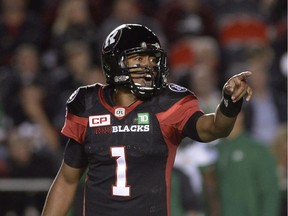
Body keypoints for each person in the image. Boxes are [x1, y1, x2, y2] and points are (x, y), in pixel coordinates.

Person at [41, 24, 253, 216]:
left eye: (152, 59)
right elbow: (67, 180)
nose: (148, 66)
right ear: (115, 62)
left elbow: (215, 128)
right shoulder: (87, 105)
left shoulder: (167, 103)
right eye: (139, 59)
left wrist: (230, 102)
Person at [214, 110, 280, 216]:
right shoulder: (213, 149)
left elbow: (270, 191)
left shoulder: (256, 149)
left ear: (242, 116)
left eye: (230, 110)